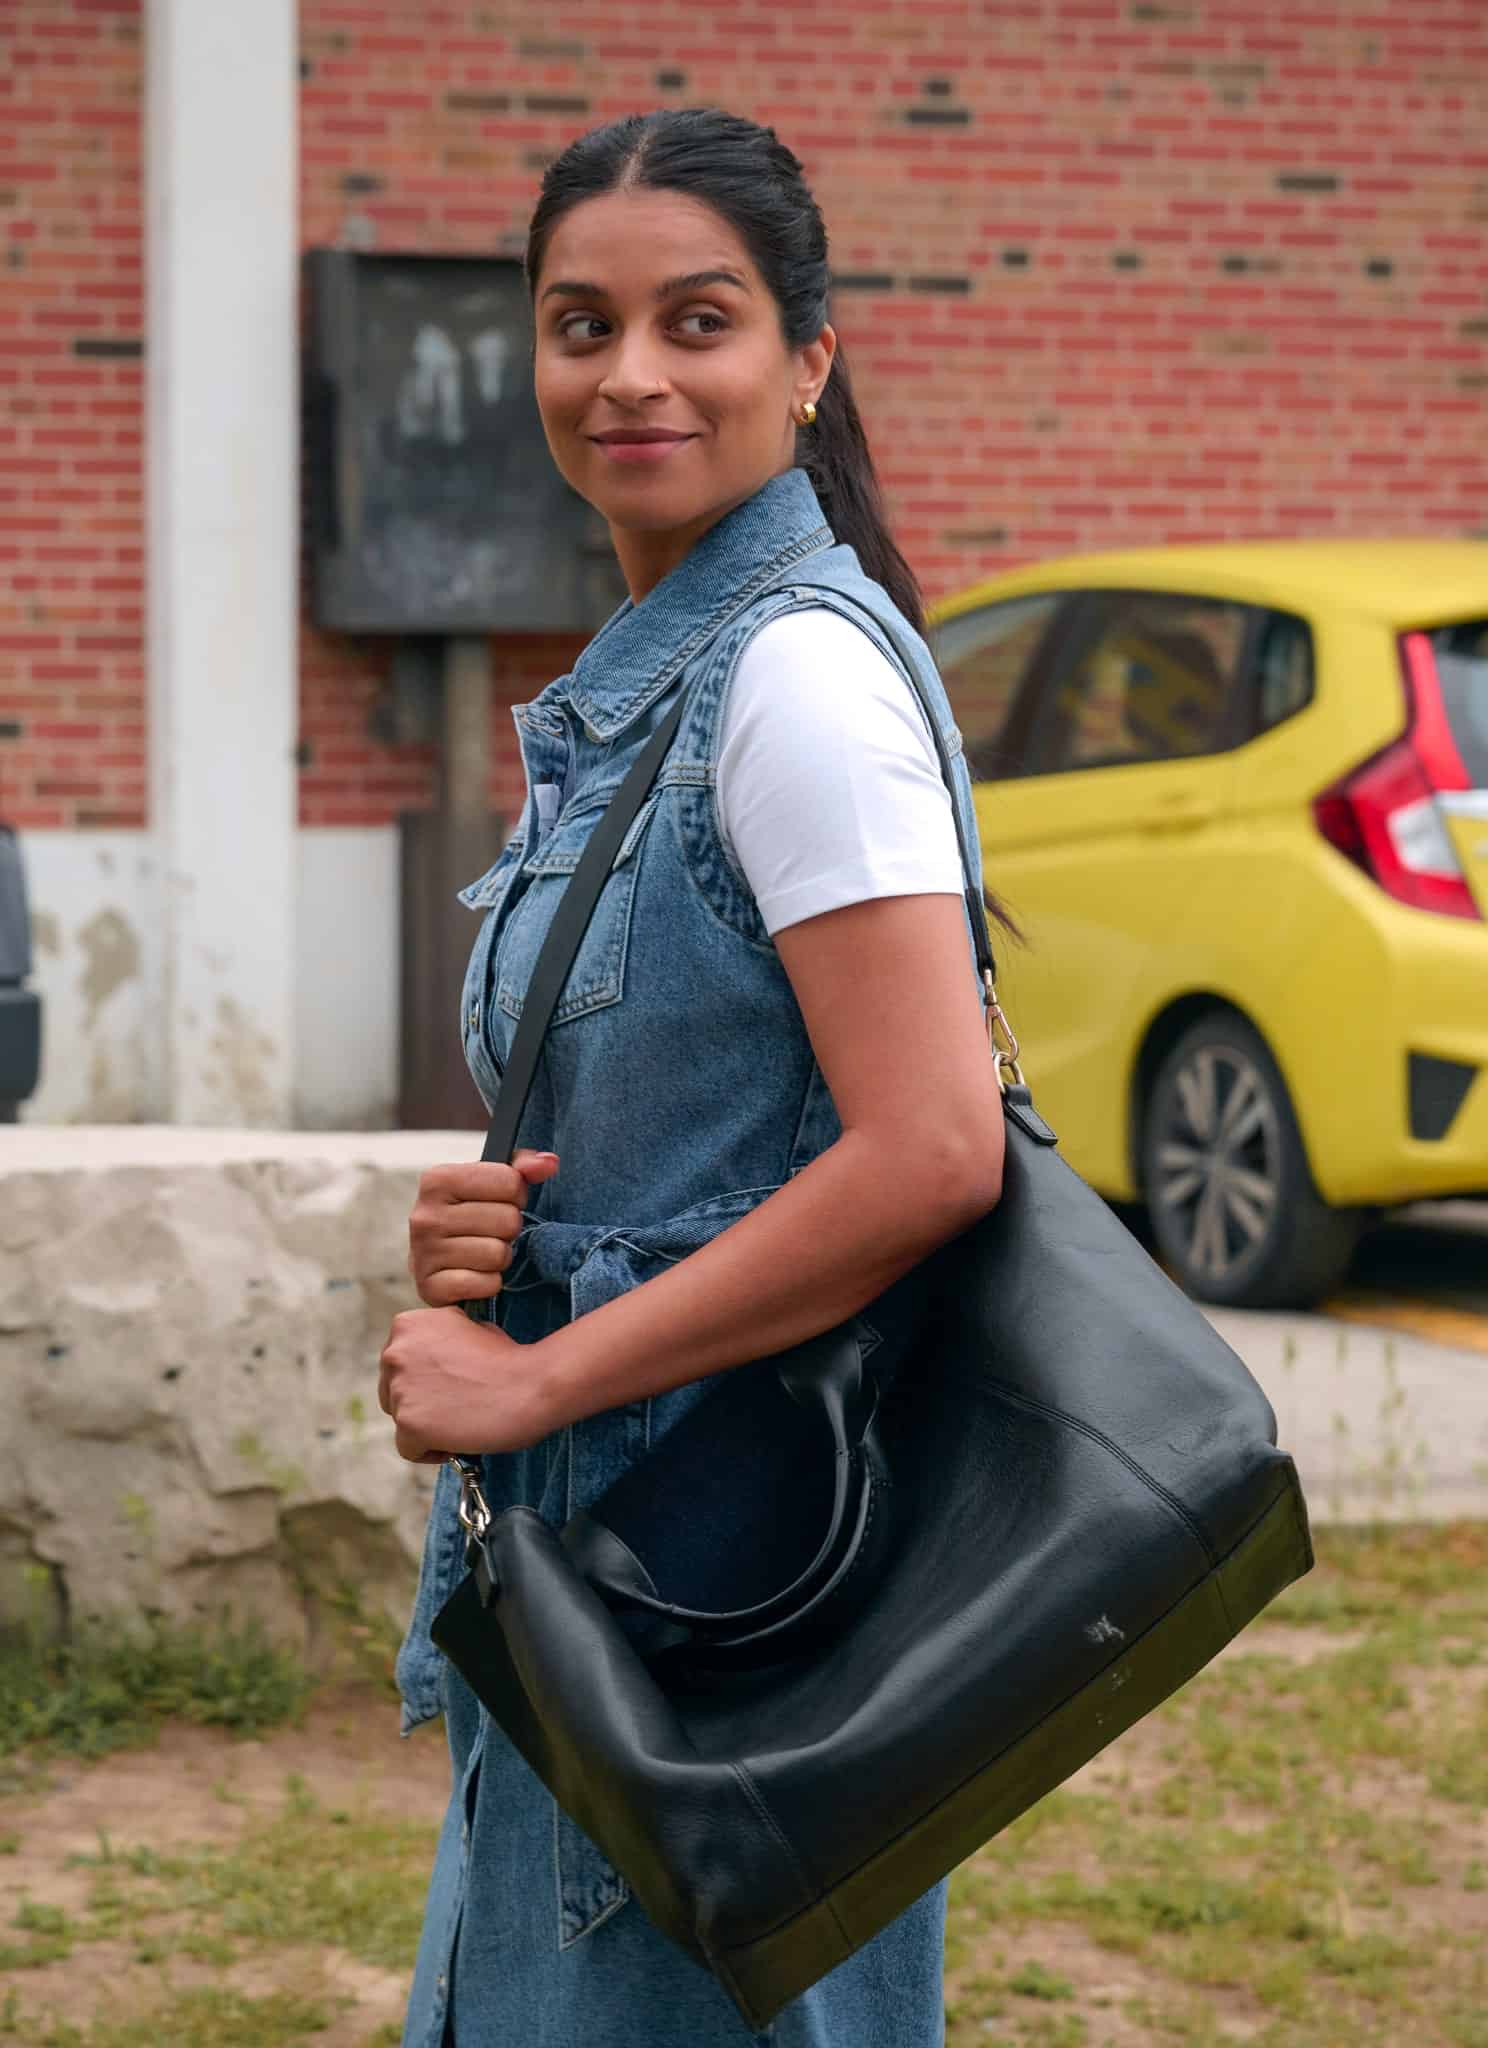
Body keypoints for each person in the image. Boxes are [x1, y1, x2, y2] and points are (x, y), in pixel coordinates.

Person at [379, 106, 1007, 2048]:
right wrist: (509, 1226)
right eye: (581, 325)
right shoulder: (665, 676)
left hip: (726, 1568)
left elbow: (930, 1149)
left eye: (698, 320)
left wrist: (546, 1369)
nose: (631, 373)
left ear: (807, 363)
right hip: (631, 1556)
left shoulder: (793, 685)